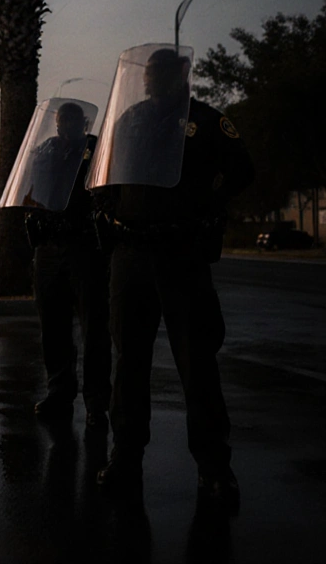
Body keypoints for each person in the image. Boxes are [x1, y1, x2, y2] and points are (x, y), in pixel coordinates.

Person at [91, 46, 253, 506]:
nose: (151, 79)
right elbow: (103, 177)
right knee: (129, 362)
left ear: (181, 75)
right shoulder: (129, 120)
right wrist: (105, 210)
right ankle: (125, 457)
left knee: (197, 362)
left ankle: (214, 466)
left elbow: (242, 170)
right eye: (148, 73)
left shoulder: (205, 119)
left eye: (160, 72)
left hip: (181, 254)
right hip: (131, 255)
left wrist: (207, 207)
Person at [24, 102, 111, 428]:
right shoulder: (45, 149)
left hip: (85, 248)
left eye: (71, 120)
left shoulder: (95, 148)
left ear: (83, 122)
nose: (65, 126)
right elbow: (30, 189)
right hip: (49, 249)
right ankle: (59, 393)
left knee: (94, 330)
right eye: (61, 121)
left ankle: (96, 404)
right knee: (53, 328)